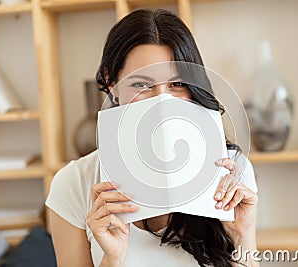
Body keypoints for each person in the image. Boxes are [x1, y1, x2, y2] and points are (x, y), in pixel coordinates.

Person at [46, 9, 259, 267]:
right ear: (111, 84)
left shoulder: (231, 172)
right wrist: (113, 259)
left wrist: (241, 237)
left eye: (177, 84)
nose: (162, 101)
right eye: (141, 85)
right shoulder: (73, 184)